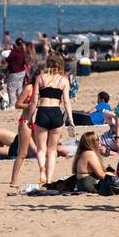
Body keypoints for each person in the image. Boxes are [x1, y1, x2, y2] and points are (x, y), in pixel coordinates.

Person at [27, 53, 74, 187]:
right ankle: (49, 180)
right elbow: (66, 102)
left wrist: (30, 119)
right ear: (60, 64)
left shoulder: (40, 78)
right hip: (56, 113)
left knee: (41, 149)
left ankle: (42, 167)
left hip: (42, 112)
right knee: (52, 150)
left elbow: (34, 101)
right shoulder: (63, 80)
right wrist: (71, 120)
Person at [4, 38, 30, 107]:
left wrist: (6, 57)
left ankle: (13, 105)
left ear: (15, 44)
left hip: (14, 72)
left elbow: (8, 59)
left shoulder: (14, 51)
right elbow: (26, 62)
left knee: (11, 89)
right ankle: (20, 103)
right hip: (22, 72)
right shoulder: (23, 51)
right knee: (19, 88)